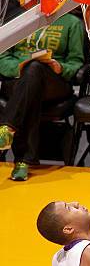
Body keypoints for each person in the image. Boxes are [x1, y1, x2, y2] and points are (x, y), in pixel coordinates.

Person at [0, 10, 84, 180]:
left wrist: (60, 67)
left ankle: (7, 128)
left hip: (54, 82)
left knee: (35, 69)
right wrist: (18, 68)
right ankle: (24, 161)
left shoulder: (72, 22)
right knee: (31, 78)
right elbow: (2, 57)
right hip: (19, 78)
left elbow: (76, 61)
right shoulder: (19, 20)